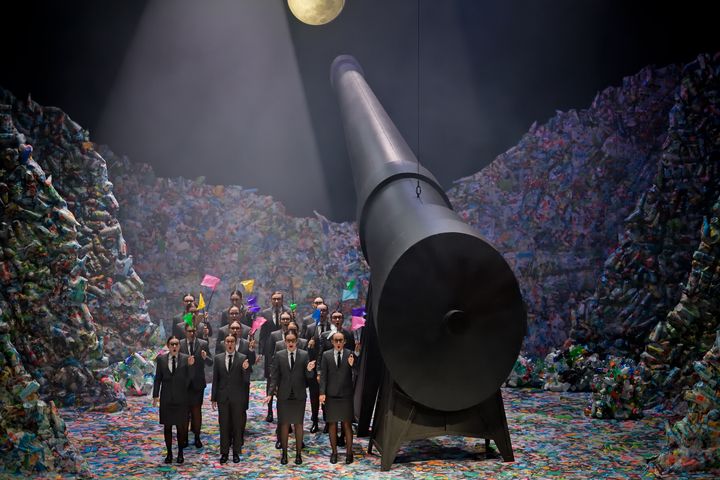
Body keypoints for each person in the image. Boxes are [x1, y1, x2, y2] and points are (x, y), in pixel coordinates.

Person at [265, 331, 315, 465]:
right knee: (285, 425)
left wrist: (310, 370)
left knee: (299, 425)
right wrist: (270, 393)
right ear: (285, 341)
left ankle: (298, 455)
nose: (291, 343)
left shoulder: (304, 355)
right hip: (284, 395)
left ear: (297, 341)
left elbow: (308, 377)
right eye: (288, 340)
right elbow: (274, 376)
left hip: (299, 395)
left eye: (293, 340)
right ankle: (285, 454)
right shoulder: (279, 355)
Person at [153, 336, 195, 464]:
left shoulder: (185, 358)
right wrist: (155, 395)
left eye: (177, 344)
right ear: (168, 345)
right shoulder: (161, 359)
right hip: (166, 398)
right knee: (167, 427)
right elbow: (158, 378)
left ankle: (181, 453)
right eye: (172, 344)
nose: (175, 346)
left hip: (181, 398)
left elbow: (190, 379)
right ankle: (169, 453)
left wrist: (191, 366)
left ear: (179, 346)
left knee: (181, 428)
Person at [211, 335, 251, 464]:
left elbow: (246, 381)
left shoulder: (242, 358)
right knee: (224, 425)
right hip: (223, 397)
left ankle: (236, 452)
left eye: (232, 341)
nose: (230, 344)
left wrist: (245, 370)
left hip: (237, 398)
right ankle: (224, 452)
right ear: (224, 343)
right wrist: (213, 398)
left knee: (237, 426)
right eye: (227, 341)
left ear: (235, 343)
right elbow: (215, 379)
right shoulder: (218, 359)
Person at [319, 331, 357, 464]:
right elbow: (323, 376)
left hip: (346, 395)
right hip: (331, 395)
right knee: (332, 424)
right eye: (336, 340)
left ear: (344, 341)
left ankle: (349, 453)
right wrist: (322, 393)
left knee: (347, 424)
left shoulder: (350, 354)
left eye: (341, 340)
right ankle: (334, 452)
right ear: (332, 342)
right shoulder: (326, 355)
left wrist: (353, 365)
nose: (339, 343)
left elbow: (357, 373)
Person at [179, 323, 212, 448]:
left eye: (193, 331)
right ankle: (184, 438)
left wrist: (205, 357)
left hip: (198, 383)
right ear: (185, 332)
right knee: (184, 412)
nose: (191, 333)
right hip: (184, 383)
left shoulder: (203, 344)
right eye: (189, 331)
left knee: (196, 411)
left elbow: (211, 362)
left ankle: (197, 437)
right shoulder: (180, 344)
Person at [259, 291, 289, 422]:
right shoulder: (265, 313)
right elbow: (262, 334)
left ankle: (284, 411)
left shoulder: (288, 313)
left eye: (279, 299)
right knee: (270, 381)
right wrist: (261, 351)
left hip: (285, 349)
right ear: (271, 300)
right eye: (274, 299)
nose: (276, 301)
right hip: (269, 351)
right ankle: (270, 411)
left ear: (282, 300)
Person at [303, 303, 331, 432]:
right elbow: (302, 348)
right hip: (313, 367)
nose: (322, 313)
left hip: (327, 368)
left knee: (326, 396)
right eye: (320, 311)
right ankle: (315, 421)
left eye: (325, 310)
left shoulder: (332, 328)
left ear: (327, 312)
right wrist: (309, 346)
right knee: (314, 396)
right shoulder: (310, 328)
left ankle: (327, 421)